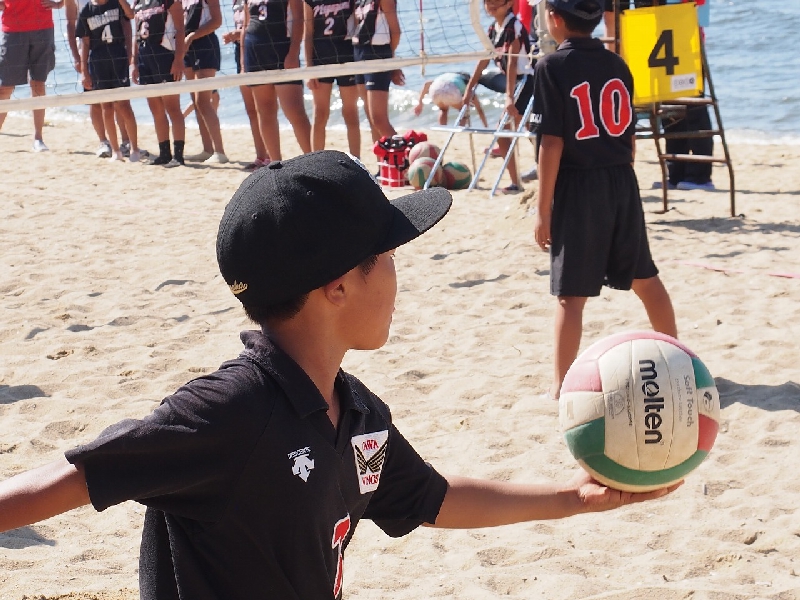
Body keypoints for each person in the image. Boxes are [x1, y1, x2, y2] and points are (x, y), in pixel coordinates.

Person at [0, 149, 679, 599]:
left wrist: (572, 498)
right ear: (336, 288)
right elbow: (62, 483)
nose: (398, 275)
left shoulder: (356, 416)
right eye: (388, 255)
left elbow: (432, 498)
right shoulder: (230, 410)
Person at [531, 0, 677, 400]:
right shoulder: (618, 64)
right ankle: (680, 360)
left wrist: (542, 210)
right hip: (621, 180)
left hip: (578, 186)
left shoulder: (551, 66)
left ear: (554, 18)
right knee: (645, 278)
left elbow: (551, 143)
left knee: (570, 295)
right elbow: (629, 136)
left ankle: (562, 387)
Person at [602, 0, 715, 191]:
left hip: (684, 34)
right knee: (669, 106)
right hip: (662, 36)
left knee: (693, 105)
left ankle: (700, 175)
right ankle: (676, 172)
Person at [464, 0, 534, 193]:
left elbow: (512, 63)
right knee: (525, 129)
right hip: (511, 81)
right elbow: (484, 58)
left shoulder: (514, 26)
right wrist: (469, 87)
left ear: (510, 3)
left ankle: (518, 182)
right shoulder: (493, 28)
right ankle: (517, 180)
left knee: (509, 131)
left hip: (525, 82)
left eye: (496, 1)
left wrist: (509, 98)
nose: (491, 5)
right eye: (488, 1)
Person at [241, 0, 312, 162]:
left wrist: (293, 53)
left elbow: (299, 18)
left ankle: (313, 160)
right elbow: (246, 25)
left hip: (281, 49)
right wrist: (243, 63)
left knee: (294, 111)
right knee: (265, 111)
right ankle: (275, 164)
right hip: (255, 51)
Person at [66, 0, 135, 159]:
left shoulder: (115, 4)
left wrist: (129, 51)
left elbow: (127, 21)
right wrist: (78, 59)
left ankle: (127, 142)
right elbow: (70, 24)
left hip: (116, 52)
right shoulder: (85, 9)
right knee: (98, 103)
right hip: (92, 55)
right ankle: (104, 142)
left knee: (121, 102)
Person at [131, 0, 187, 167]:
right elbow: (136, 35)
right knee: (155, 108)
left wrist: (178, 59)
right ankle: (164, 154)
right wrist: (134, 62)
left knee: (172, 107)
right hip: (145, 57)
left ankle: (178, 156)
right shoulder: (138, 3)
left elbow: (180, 29)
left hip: (164, 55)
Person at [304, 0, 361, 157]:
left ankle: (356, 160)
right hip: (320, 59)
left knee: (350, 112)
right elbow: (308, 32)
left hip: (347, 58)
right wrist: (309, 68)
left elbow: (358, 23)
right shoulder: (310, 2)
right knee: (320, 113)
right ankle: (316, 161)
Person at [0, 0, 59, 151]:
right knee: (6, 88)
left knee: (38, 84)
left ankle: (38, 138)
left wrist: (60, 4)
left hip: (42, 27)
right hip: (13, 28)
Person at [221, 0, 268, 170]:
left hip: (260, 48)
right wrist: (236, 35)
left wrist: (238, 33)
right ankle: (260, 156)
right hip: (241, 50)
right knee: (251, 110)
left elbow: (262, 24)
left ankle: (269, 156)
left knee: (264, 108)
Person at [182, 0, 227, 163]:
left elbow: (217, 20)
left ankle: (220, 151)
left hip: (205, 44)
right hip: (187, 48)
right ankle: (207, 149)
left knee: (203, 101)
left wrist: (192, 36)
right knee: (196, 102)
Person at [352, 0, 402, 139]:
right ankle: (380, 153)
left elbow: (396, 32)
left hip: (377, 53)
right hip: (358, 52)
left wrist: (390, 61)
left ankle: (404, 152)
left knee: (379, 119)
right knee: (372, 119)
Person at [414, 71, 488, 128]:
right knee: (463, 111)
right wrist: (485, 126)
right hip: (451, 89)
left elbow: (427, 84)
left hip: (435, 89)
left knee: (443, 110)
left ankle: (443, 129)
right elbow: (479, 110)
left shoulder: (450, 76)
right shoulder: (466, 84)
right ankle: (460, 130)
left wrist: (420, 103)